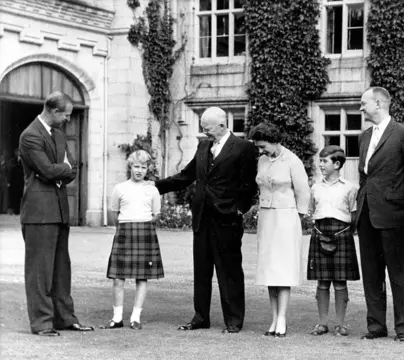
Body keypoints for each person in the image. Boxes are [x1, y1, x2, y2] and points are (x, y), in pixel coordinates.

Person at [155, 107, 257, 334]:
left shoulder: (244, 148)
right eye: (202, 127)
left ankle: (234, 320)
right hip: (202, 217)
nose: (203, 132)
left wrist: (240, 209)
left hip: (227, 220)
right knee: (201, 270)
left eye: (207, 128)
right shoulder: (203, 147)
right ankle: (200, 317)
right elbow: (186, 176)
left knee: (229, 270)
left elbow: (248, 185)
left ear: (222, 125)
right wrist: (153, 188)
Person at [19, 91, 93, 336]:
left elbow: (70, 169)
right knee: (40, 271)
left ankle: (65, 318)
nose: (68, 120)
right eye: (66, 115)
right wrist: (60, 169)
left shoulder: (59, 135)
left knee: (62, 269)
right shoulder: (30, 136)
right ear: (53, 111)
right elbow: (49, 170)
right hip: (39, 212)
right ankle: (42, 323)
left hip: (60, 210)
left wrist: (58, 170)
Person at [357, 87, 404, 341]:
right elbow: (365, 175)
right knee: (371, 273)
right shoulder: (364, 137)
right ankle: (376, 326)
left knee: (398, 272)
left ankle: (403, 328)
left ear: (380, 103)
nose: (360, 108)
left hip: (392, 214)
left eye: (364, 104)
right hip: (366, 215)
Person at [249, 123, 310, 338]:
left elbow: (303, 193)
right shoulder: (262, 161)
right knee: (269, 270)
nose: (260, 150)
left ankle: (282, 317)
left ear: (275, 140)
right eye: (258, 147)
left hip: (286, 218)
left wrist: (296, 217)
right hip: (266, 218)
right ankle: (273, 317)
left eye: (263, 146)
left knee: (283, 270)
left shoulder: (292, 161)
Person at [101, 150, 163, 331]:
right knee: (118, 279)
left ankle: (135, 318)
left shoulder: (152, 189)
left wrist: (142, 223)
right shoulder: (120, 188)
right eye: (136, 166)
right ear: (130, 167)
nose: (139, 170)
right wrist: (126, 226)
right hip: (124, 232)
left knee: (142, 278)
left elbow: (155, 214)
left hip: (145, 232)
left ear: (147, 169)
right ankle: (117, 318)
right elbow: (114, 214)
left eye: (143, 167)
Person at [307, 145, 360, 337]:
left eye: (324, 161)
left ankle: (340, 324)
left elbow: (354, 215)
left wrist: (343, 233)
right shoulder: (315, 187)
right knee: (322, 282)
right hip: (320, 231)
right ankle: (322, 324)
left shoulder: (350, 188)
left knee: (340, 282)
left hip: (342, 233)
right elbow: (312, 210)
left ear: (337, 164)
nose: (320, 164)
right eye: (320, 160)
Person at [8, 148, 24, 215]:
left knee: (22, 197)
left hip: (21, 181)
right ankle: (16, 210)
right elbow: (10, 171)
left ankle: (21, 211)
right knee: (16, 197)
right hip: (15, 182)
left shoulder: (24, 160)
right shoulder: (12, 161)